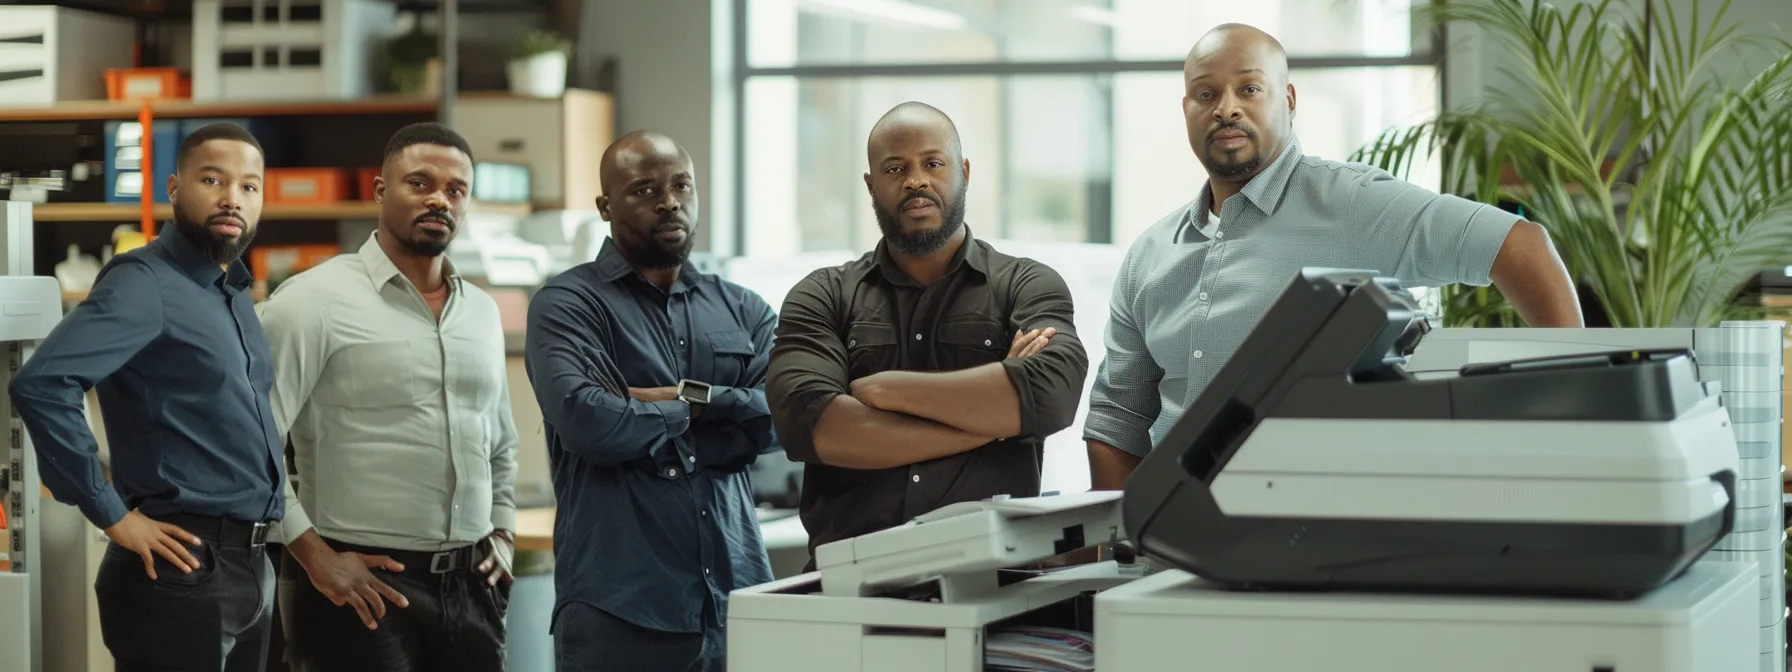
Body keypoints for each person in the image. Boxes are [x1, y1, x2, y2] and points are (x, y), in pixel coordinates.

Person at [1084, 24, 1585, 491]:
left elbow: (1519, 245)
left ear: (1288, 100)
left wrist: (1574, 411)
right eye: (1206, 94)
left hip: (1319, 523)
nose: (1226, 109)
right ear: (1187, 109)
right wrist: (1122, 542)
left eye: (1249, 89)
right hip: (1174, 535)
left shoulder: (1354, 205)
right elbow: (1118, 419)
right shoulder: (1149, 255)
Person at [10, 122, 285, 671]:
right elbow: (42, 384)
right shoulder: (143, 281)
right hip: (180, 567)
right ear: (175, 188)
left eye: (249, 186)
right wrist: (111, 513)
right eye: (213, 180)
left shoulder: (232, 291)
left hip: (251, 563)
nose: (233, 198)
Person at [766, 102, 1089, 565]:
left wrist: (887, 389)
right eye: (895, 168)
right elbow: (815, 428)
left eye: (933, 164)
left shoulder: (1026, 284)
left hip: (996, 579)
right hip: (850, 583)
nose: (915, 180)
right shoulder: (822, 295)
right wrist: (997, 422)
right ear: (871, 185)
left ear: (964, 172)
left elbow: (1052, 396)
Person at [256, 123, 518, 671]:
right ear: (380, 190)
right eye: (420, 183)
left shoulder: (481, 312)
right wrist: (314, 557)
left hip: (472, 588)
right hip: (358, 587)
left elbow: (499, 440)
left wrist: (503, 530)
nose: (439, 200)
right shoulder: (312, 302)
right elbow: (253, 445)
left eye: (455, 190)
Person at [524, 130, 779, 672]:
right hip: (620, 609)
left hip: (738, 600)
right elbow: (589, 422)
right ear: (605, 206)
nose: (668, 202)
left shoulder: (743, 307)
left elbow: (786, 415)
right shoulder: (569, 304)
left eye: (681, 185)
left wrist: (681, 400)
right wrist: (718, 412)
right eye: (644, 189)